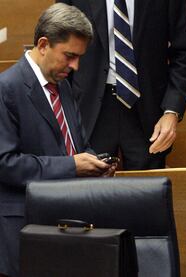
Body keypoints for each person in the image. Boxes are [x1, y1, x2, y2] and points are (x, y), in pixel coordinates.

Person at [0, 4, 116, 277]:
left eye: (79, 58)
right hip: (25, 232)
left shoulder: (63, 86)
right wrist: (73, 166)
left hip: (65, 225)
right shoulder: (6, 89)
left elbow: (76, 146)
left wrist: (95, 163)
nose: (75, 66)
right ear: (43, 44)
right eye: (69, 56)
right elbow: (6, 164)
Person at [56, 0, 186, 169]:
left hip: (147, 110)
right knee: (92, 191)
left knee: (147, 191)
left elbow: (183, 53)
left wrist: (172, 111)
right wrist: (67, 112)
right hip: (90, 107)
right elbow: (61, 48)